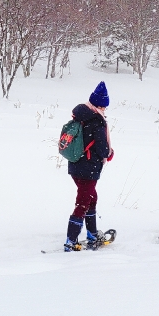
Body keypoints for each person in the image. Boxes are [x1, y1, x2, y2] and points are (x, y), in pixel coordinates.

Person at [64, 81, 114, 251]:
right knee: (83, 201)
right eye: (104, 107)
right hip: (88, 167)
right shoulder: (96, 121)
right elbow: (102, 148)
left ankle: (92, 233)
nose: (104, 110)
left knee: (91, 197)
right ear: (100, 105)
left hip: (75, 164)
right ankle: (70, 241)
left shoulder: (80, 115)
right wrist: (110, 153)